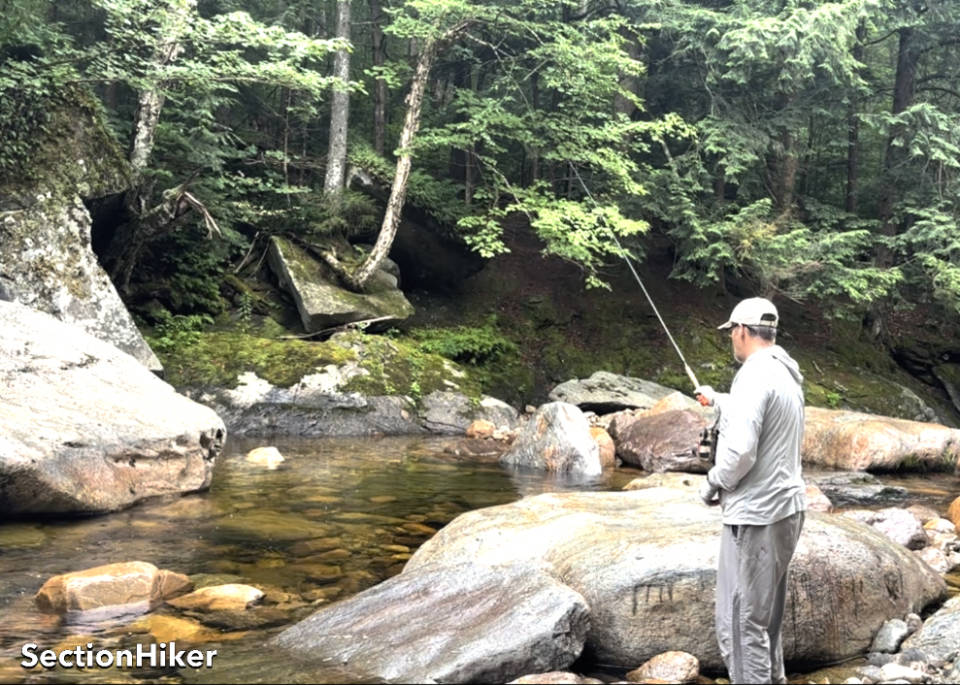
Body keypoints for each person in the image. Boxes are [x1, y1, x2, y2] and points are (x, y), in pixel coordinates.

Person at [693, 297, 806, 685]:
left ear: (741, 331)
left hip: (756, 516)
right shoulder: (785, 371)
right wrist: (720, 401)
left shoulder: (755, 376)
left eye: (732, 334)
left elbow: (740, 452)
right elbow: (763, 413)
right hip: (786, 511)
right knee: (765, 623)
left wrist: (712, 482)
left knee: (740, 628)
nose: (732, 340)